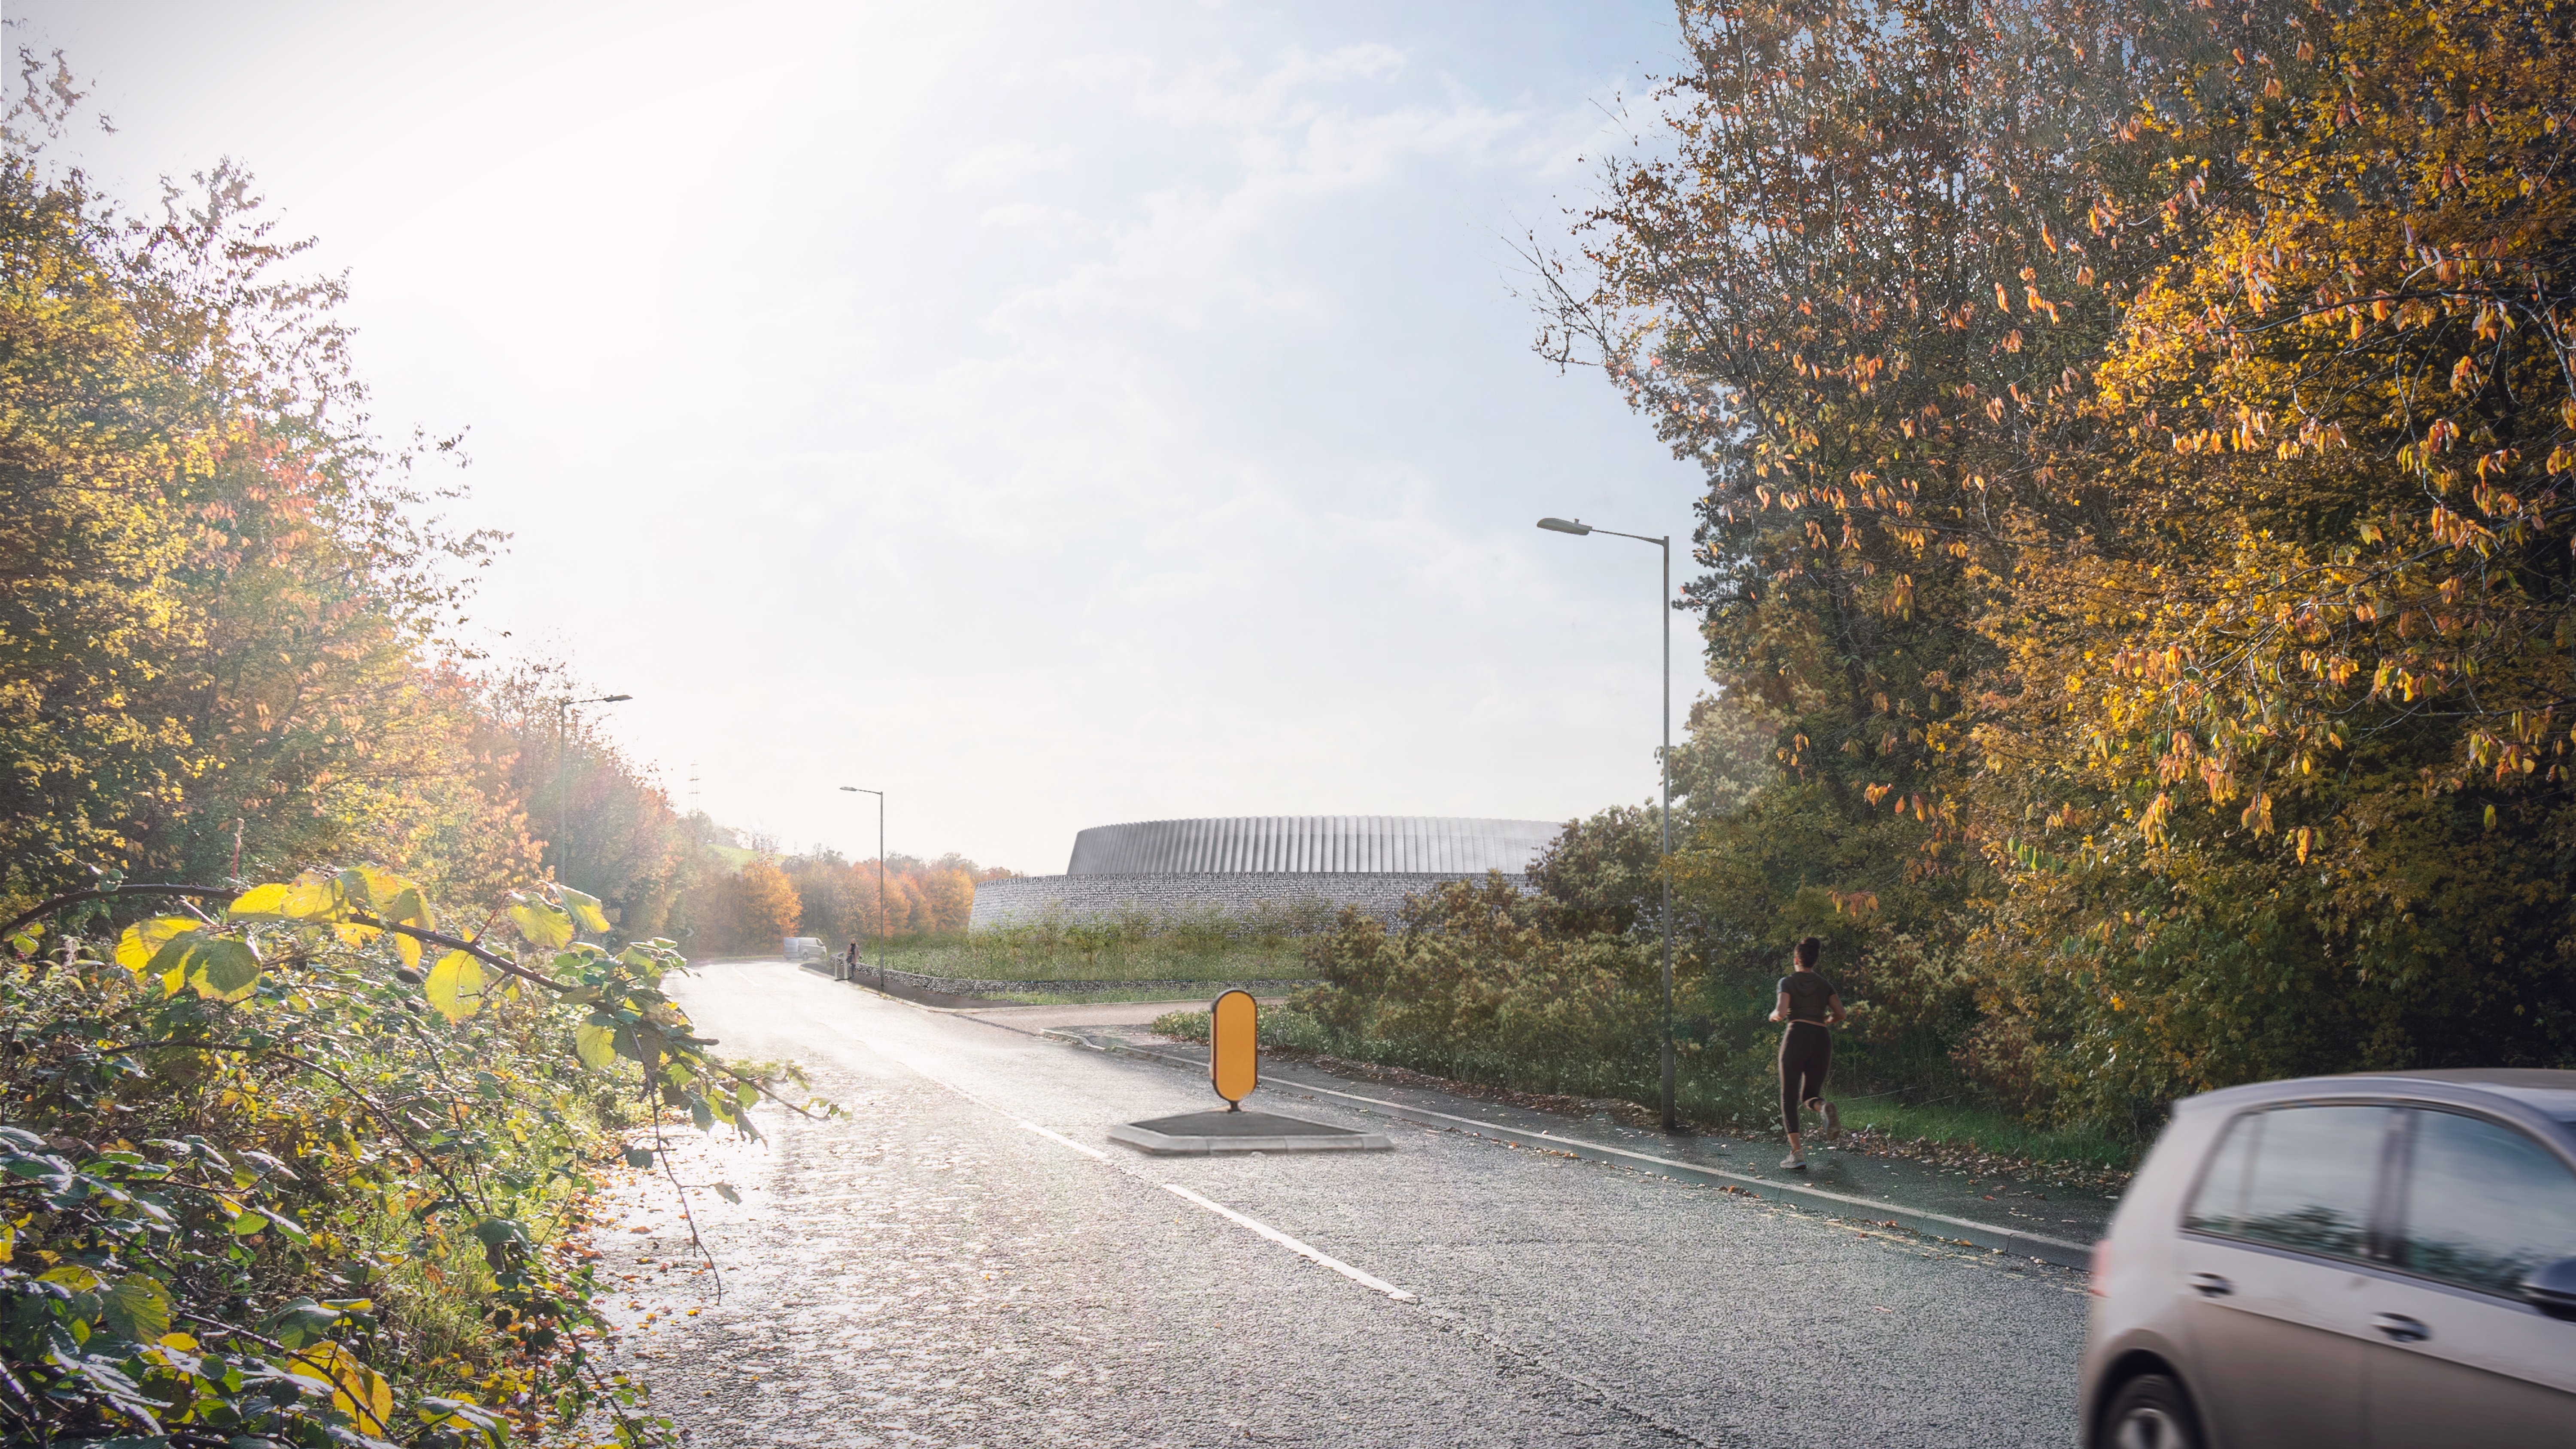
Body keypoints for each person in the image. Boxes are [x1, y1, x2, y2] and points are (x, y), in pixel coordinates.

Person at [1768, 935, 1844, 1170]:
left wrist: (1774, 1016)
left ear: (1796, 960)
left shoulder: (1787, 982)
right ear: (1815, 961)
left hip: (1797, 1035)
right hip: (1822, 1039)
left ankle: (1797, 1154)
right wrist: (1825, 1020)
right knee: (1810, 1095)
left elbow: (1781, 1012)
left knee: (1789, 1097)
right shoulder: (1824, 984)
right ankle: (1824, 1108)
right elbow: (1840, 1014)